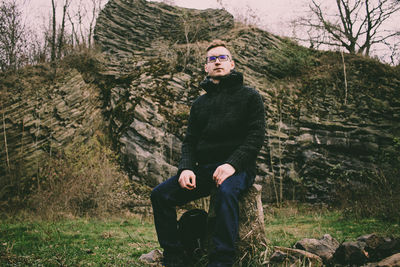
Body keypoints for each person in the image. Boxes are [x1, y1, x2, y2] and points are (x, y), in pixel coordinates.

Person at [151, 39, 265, 267]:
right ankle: (174, 257)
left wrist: (232, 164)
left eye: (223, 58)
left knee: (225, 191)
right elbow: (190, 142)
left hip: (238, 168)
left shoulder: (250, 96)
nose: (217, 62)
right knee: (160, 195)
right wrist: (185, 169)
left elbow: (256, 137)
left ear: (232, 64)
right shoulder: (199, 104)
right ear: (206, 67)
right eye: (212, 59)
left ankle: (221, 261)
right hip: (204, 169)